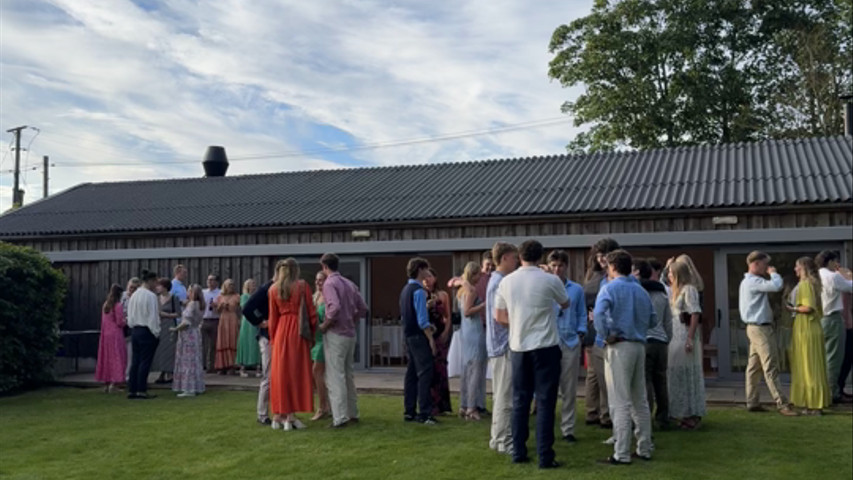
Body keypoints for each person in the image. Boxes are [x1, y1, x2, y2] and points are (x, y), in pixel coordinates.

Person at [495, 240, 569, 469]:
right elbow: (565, 303)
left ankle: (519, 451)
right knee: (546, 402)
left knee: (520, 401)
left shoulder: (507, 282)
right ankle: (545, 456)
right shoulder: (550, 279)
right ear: (541, 257)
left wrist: (518, 321)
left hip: (518, 346)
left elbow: (499, 316)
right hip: (545, 345)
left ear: (519, 255)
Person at [594, 250, 657, 465]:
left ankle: (621, 452)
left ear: (612, 267)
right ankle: (645, 447)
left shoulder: (609, 288)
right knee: (639, 399)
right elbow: (653, 320)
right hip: (639, 345)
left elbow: (599, 314)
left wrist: (605, 335)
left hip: (619, 346)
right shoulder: (641, 291)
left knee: (619, 401)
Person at [739, 251, 798, 416]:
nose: (767, 268)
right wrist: (774, 274)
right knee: (770, 365)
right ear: (756, 263)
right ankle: (782, 404)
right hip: (760, 329)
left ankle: (752, 401)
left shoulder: (746, 282)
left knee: (754, 366)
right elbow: (776, 286)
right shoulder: (754, 281)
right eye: (765, 264)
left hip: (754, 328)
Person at [319, 253, 369, 429]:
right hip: (350, 333)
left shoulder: (329, 283)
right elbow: (363, 308)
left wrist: (325, 324)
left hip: (336, 333)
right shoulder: (349, 283)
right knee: (348, 374)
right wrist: (352, 320)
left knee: (335, 375)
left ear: (325, 266)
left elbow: (335, 307)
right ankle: (352, 412)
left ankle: (340, 417)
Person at [542, 250, 586, 444]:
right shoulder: (543, 287)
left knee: (569, 388)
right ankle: (547, 425)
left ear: (566, 267)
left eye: (560, 265)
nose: (557, 269)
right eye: (553, 265)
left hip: (570, 341)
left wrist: (580, 332)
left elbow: (582, 312)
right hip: (549, 340)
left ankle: (568, 428)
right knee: (548, 387)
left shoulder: (576, 289)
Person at [269, 258, 317, 430]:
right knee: (295, 373)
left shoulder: (273, 289)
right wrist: (312, 334)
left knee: (280, 374)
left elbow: (272, 318)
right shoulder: (302, 286)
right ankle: (290, 416)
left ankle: (278, 415)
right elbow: (311, 313)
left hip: (281, 330)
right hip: (297, 331)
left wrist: (273, 339)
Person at [582, 238, 620, 428]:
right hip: (596, 332)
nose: (601, 259)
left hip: (606, 331)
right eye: (598, 255)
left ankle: (600, 412)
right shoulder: (596, 276)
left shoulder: (612, 276)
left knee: (598, 375)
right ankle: (600, 413)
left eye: (604, 255)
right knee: (596, 374)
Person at [666, 256, 706, 430]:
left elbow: (695, 313)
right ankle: (680, 411)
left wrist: (690, 337)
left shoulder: (689, 290)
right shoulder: (675, 290)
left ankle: (692, 413)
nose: (669, 276)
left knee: (687, 372)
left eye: (671, 273)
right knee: (675, 373)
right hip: (674, 334)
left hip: (684, 334)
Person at [486, 242, 518, 455]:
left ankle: (496, 438)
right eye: (515, 258)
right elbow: (502, 318)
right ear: (505, 258)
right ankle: (504, 441)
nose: (517, 262)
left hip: (496, 346)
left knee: (500, 395)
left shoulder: (495, 281)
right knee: (505, 397)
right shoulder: (501, 283)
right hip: (503, 345)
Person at [787, 257, 830, 414]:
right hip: (811, 327)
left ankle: (812, 404)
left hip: (806, 327)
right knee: (813, 365)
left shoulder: (805, 285)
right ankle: (813, 403)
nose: (795, 269)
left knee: (807, 365)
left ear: (803, 268)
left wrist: (793, 309)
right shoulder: (814, 284)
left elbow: (808, 307)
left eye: (797, 266)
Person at [633, 259, 672, 430]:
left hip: (645, 340)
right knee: (661, 381)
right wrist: (666, 339)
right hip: (661, 342)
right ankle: (663, 417)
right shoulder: (663, 295)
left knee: (645, 380)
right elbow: (668, 322)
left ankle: (645, 417)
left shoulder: (639, 293)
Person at [402, 257, 439, 425]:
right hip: (418, 335)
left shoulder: (405, 290)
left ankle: (409, 410)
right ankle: (425, 412)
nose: (427, 273)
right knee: (425, 372)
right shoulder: (418, 291)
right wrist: (430, 338)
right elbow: (422, 320)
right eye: (425, 269)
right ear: (420, 270)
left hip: (408, 335)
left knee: (411, 374)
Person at [241, 265, 279, 426]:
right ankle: (262, 413)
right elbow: (247, 308)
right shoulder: (266, 288)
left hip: (277, 335)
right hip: (266, 336)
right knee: (268, 375)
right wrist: (261, 322)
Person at [815, 250, 853, 404]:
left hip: (820, 319)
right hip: (833, 318)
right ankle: (832, 393)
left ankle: (823, 391)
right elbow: (850, 287)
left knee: (823, 357)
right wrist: (848, 274)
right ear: (830, 261)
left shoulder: (816, 276)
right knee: (834, 359)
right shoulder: (833, 276)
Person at [458, 261, 487, 420]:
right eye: (478, 274)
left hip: (466, 331)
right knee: (475, 368)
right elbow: (467, 311)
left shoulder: (462, 289)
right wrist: (483, 305)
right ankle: (472, 407)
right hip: (474, 331)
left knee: (467, 369)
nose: (480, 277)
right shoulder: (471, 290)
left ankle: (464, 404)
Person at [126, 270, 161, 400]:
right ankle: (141, 389)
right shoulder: (150, 296)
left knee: (135, 361)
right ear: (150, 281)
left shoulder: (134, 295)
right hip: (147, 330)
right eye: (155, 282)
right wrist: (156, 332)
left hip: (135, 329)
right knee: (145, 361)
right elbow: (153, 316)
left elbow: (130, 315)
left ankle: (132, 389)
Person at [425, 267, 453, 416]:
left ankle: (443, 404)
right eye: (425, 277)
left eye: (430, 277)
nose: (428, 280)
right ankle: (431, 403)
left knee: (441, 368)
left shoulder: (442, 295)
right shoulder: (423, 295)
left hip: (440, 332)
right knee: (430, 369)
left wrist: (446, 331)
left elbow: (448, 316)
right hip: (429, 333)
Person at [171, 284, 206, 397]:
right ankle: (196, 386)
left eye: (189, 291)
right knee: (194, 360)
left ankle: (188, 388)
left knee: (188, 360)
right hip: (195, 333)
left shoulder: (192, 304)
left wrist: (175, 329)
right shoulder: (200, 305)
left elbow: (186, 322)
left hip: (188, 334)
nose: (187, 293)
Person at [95, 283, 127, 393]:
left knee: (106, 358)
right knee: (117, 357)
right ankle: (115, 383)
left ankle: (107, 383)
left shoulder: (106, 305)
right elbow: (119, 322)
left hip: (105, 334)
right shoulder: (118, 306)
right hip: (115, 334)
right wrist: (126, 320)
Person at [152, 278, 181, 384]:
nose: (157, 288)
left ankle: (170, 373)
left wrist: (166, 315)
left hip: (170, 325)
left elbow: (178, 313)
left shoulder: (174, 298)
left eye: (159, 286)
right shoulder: (156, 298)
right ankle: (162, 372)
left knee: (170, 350)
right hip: (159, 326)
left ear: (164, 287)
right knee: (160, 350)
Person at [311, 271, 331, 421]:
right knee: (317, 375)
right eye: (317, 280)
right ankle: (326, 406)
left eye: (321, 280)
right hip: (315, 339)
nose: (319, 283)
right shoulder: (314, 296)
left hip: (324, 338)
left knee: (316, 372)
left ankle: (322, 407)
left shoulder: (329, 297)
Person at [236, 279, 261, 378]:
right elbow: (245, 308)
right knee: (245, 342)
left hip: (257, 320)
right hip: (247, 322)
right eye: (252, 284)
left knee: (256, 343)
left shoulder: (258, 296)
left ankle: (258, 367)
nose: (254, 286)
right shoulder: (244, 296)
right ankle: (242, 368)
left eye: (255, 284)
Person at [120, 277, 141, 382]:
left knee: (130, 353)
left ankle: (128, 376)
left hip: (132, 327)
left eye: (134, 288)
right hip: (120, 327)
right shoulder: (122, 296)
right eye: (130, 287)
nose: (131, 290)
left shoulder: (138, 298)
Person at [202, 274, 222, 373]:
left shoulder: (220, 293)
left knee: (213, 345)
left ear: (216, 282)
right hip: (203, 320)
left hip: (215, 320)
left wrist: (217, 306)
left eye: (212, 280)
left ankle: (211, 366)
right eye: (208, 280)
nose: (209, 282)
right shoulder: (203, 292)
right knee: (202, 344)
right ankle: (202, 365)